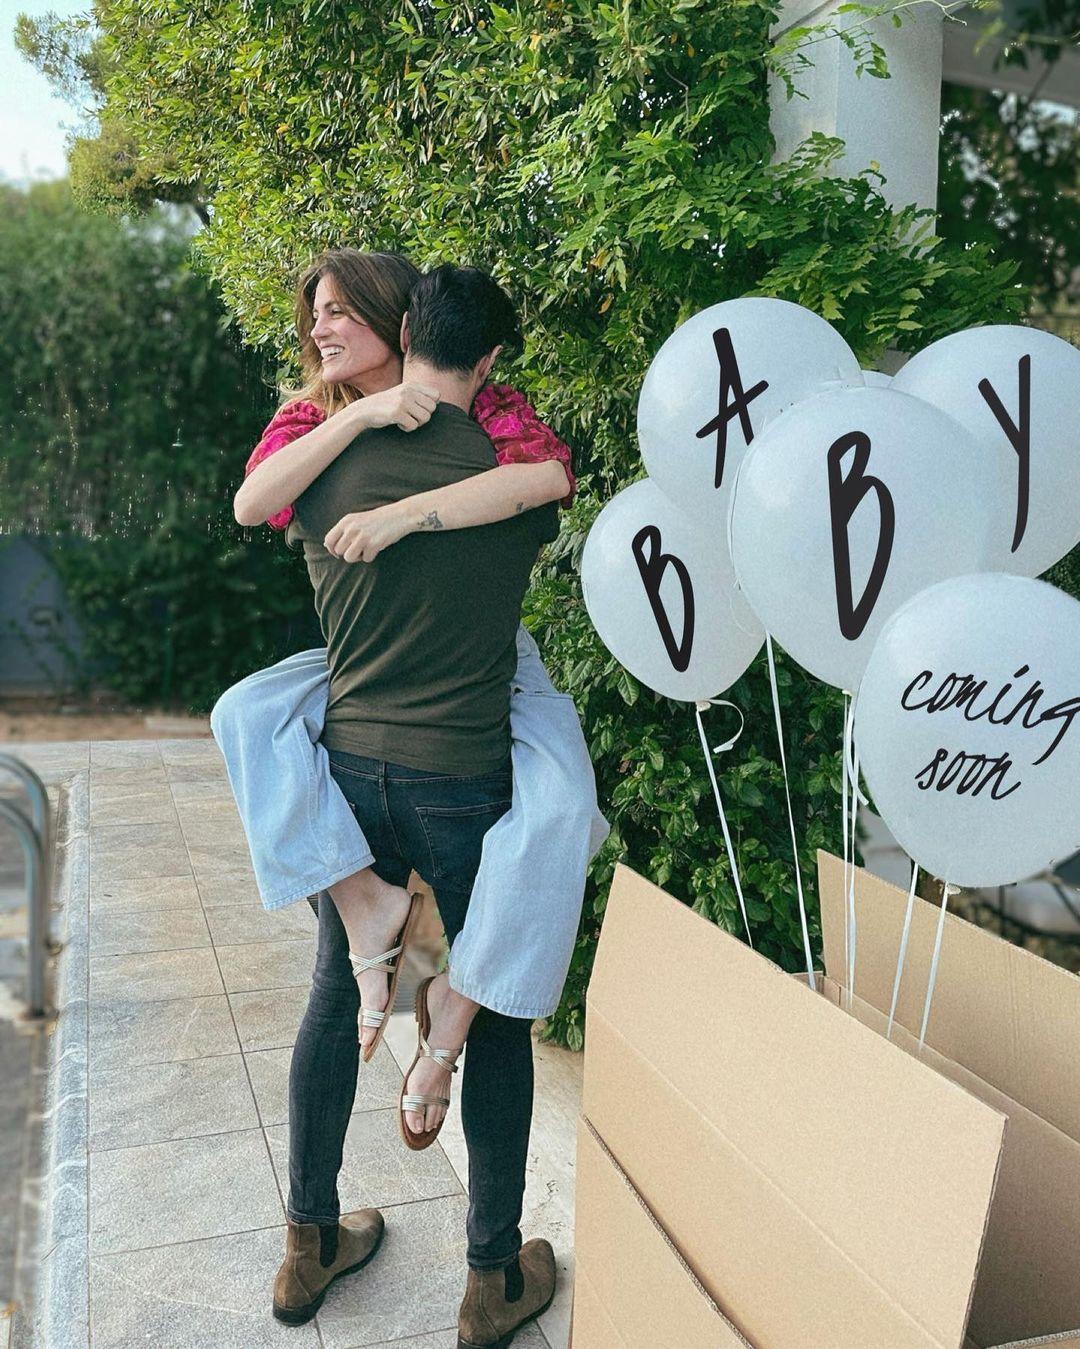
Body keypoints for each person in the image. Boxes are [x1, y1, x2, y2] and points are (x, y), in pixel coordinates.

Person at [222, 256, 601, 1345]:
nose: (323, 328)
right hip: (465, 772)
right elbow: (547, 486)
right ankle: (491, 1276)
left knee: (332, 995)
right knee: (500, 1015)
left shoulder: (314, 462)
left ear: (402, 327)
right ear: (487, 355)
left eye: (341, 311)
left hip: (350, 767)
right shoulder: (502, 456)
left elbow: (258, 501)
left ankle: (308, 1240)